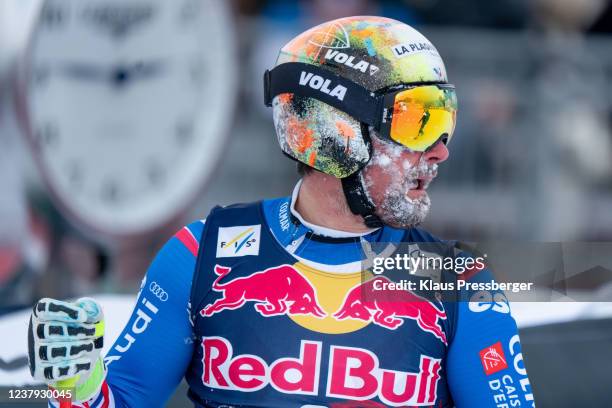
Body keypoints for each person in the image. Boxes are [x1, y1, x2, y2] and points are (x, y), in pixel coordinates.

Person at [28, 16, 535, 407]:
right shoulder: (201, 253)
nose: (441, 150)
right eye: (418, 122)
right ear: (335, 131)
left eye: (445, 120)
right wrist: (73, 383)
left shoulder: (456, 279)